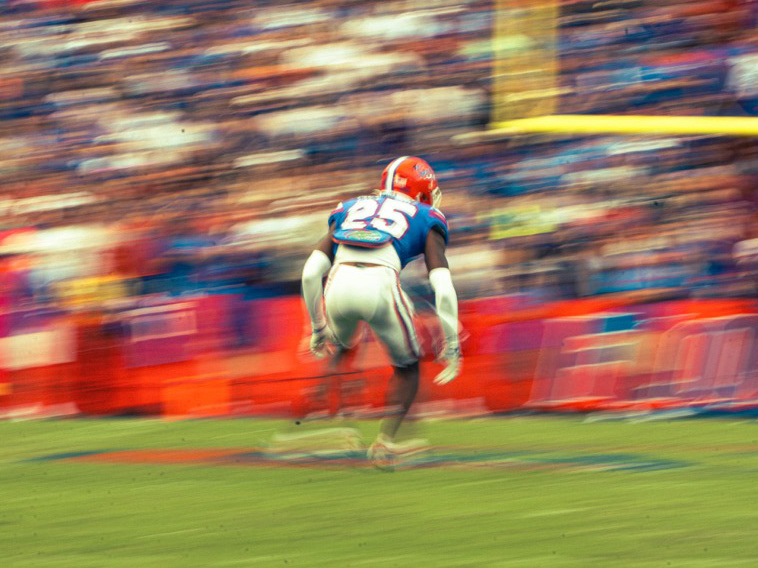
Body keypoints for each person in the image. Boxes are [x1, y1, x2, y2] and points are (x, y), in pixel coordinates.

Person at [300, 156, 461, 469]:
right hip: (380, 285)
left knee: (342, 348)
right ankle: (386, 443)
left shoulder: (348, 208)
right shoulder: (427, 216)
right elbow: (442, 285)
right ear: (421, 190)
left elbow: (310, 274)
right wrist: (452, 343)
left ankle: (343, 427)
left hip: (337, 283)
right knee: (408, 368)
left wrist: (317, 328)